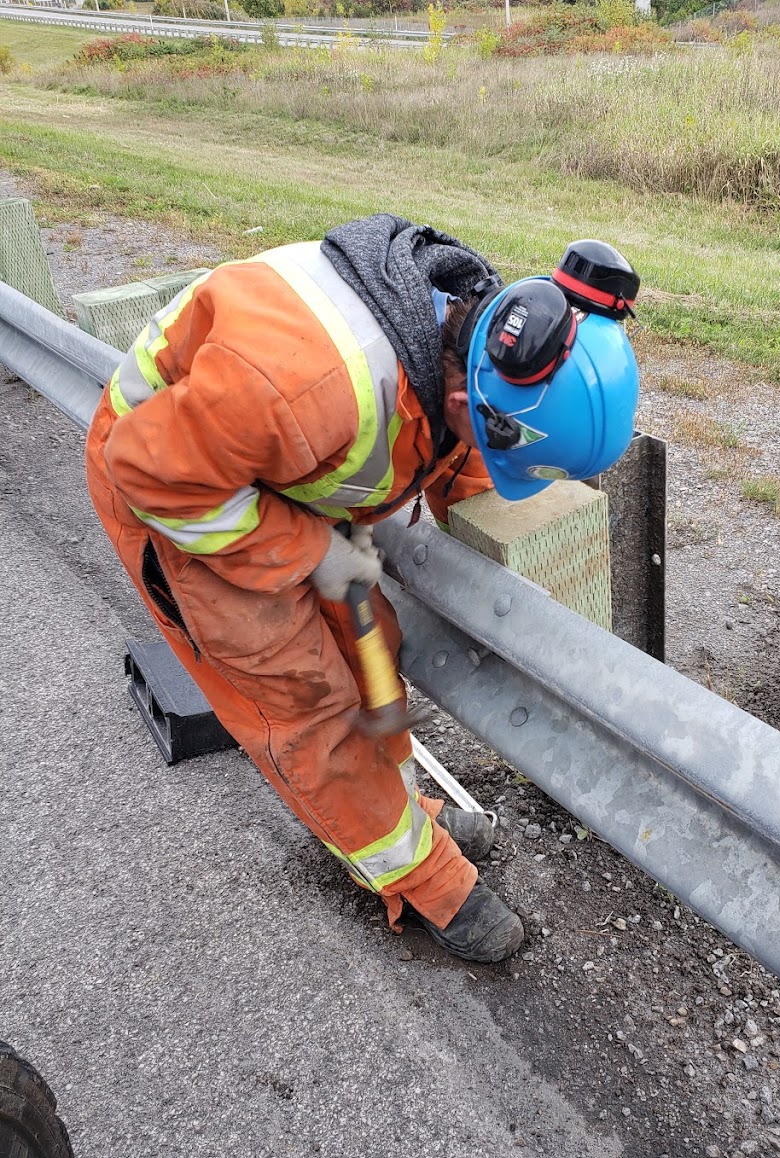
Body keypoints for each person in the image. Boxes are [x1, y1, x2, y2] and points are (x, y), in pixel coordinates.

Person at [85, 214, 641, 965]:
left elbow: (449, 451)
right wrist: (312, 548)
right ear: (466, 402)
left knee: (366, 640)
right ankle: (423, 880)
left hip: (256, 461)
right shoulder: (309, 388)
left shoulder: (459, 327)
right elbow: (150, 474)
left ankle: (405, 810)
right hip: (179, 492)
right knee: (309, 697)